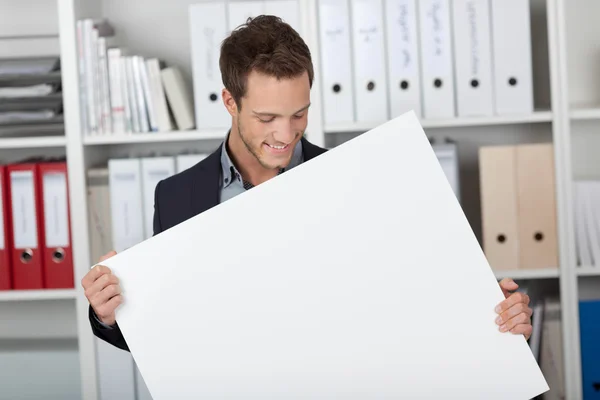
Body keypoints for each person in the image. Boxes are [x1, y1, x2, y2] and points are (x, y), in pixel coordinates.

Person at [82, 15, 533, 352]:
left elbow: (411, 300)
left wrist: (493, 313)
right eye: (266, 117)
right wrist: (108, 315)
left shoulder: (359, 180)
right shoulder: (177, 196)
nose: (284, 134)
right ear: (229, 102)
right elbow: (167, 333)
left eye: (299, 113)